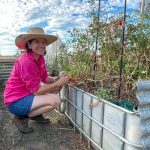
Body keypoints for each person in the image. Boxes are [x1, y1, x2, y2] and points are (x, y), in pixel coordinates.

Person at [4, 27, 69, 134]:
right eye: (37, 42)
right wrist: (57, 83)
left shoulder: (40, 58)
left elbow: (45, 78)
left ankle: (36, 114)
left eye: (43, 42)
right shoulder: (26, 61)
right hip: (15, 101)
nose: (41, 45)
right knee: (56, 100)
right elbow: (36, 91)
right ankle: (21, 117)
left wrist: (57, 79)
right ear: (29, 45)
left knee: (57, 87)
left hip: (26, 94)